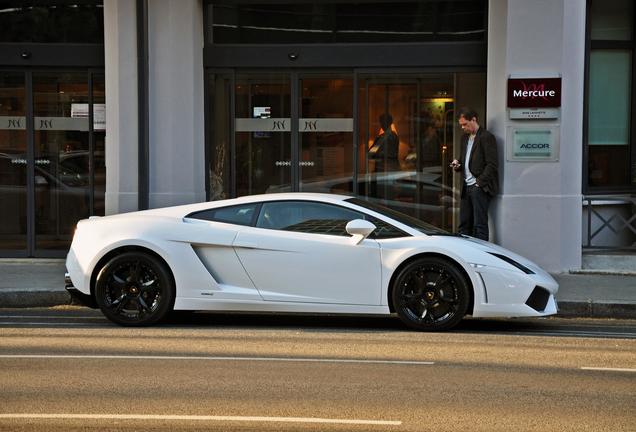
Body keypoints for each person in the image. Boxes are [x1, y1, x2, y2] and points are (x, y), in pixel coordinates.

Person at [450, 107, 498, 241]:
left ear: (474, 120)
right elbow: (464, 159)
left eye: (465, 124)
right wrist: (457, 164)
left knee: (480, 225)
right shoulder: (464, 138)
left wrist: (479, 183)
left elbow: (492, 164)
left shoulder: (487, 137)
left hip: (479, 188)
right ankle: (465, 256)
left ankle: (482, 258)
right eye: (461, 124)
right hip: (466, 187)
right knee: (464, 224)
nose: (463, 127)